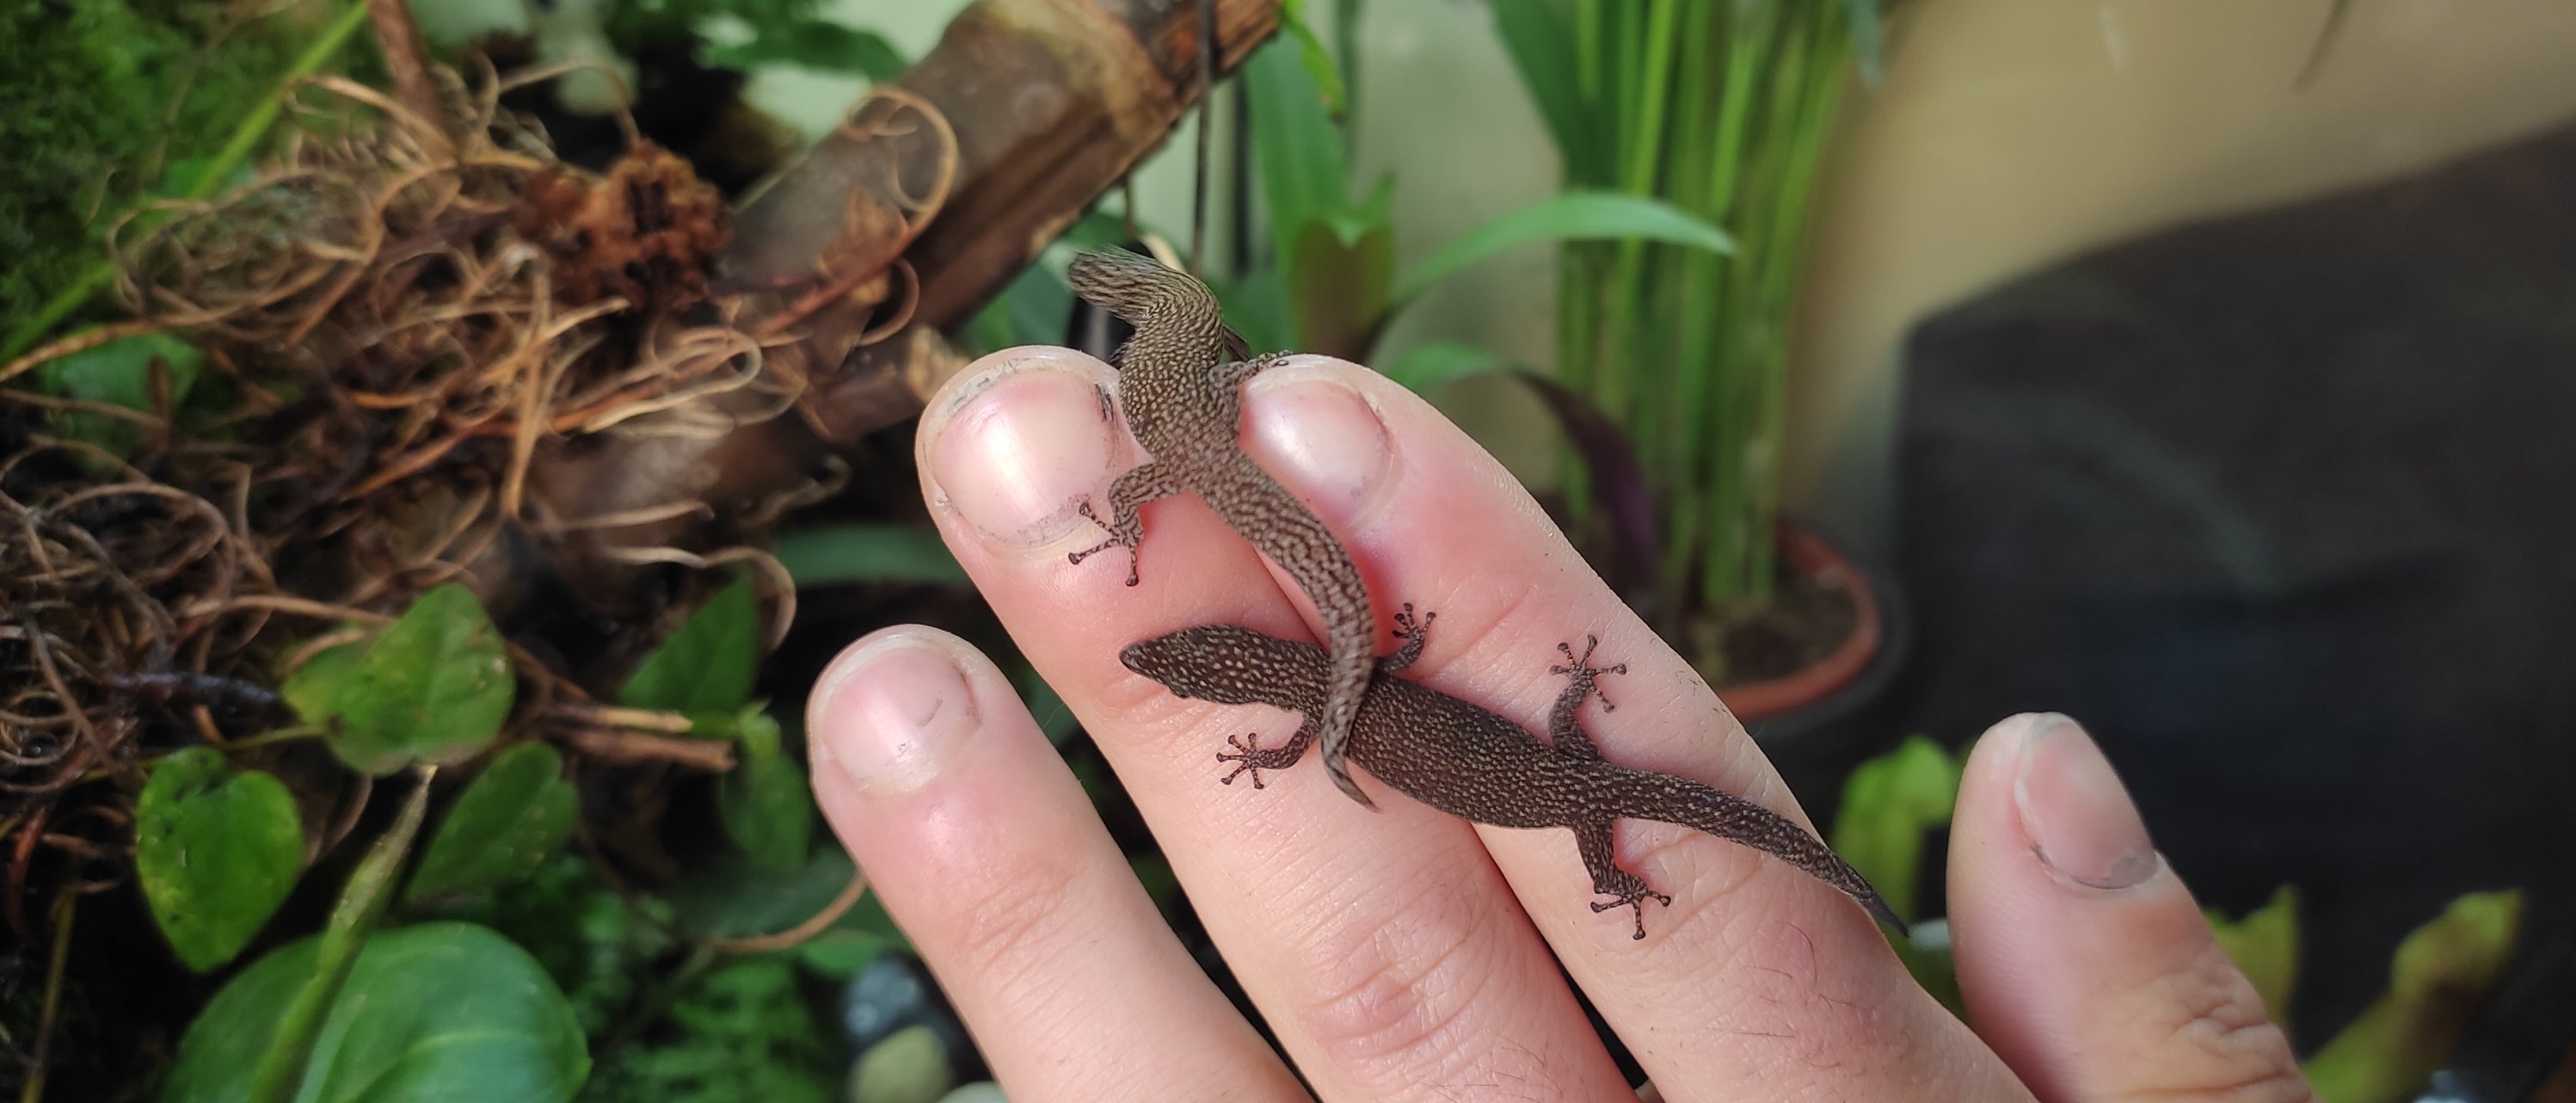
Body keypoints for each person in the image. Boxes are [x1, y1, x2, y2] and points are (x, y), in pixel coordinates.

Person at [807, 345, 2316, 1102]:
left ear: (1235, 671)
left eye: (1199, 667)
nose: (1200, 666)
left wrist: (1585, 815)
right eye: (1202, 669)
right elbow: (1375, 675)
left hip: (1560, 785)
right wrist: (1572, 724)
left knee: (1640, 829)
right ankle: (1678, 838)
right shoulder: (1318, 684)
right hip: (1555, 774)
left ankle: (1712, 853)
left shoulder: (1313, 702)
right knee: (1624, 819)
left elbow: (1345, 702)